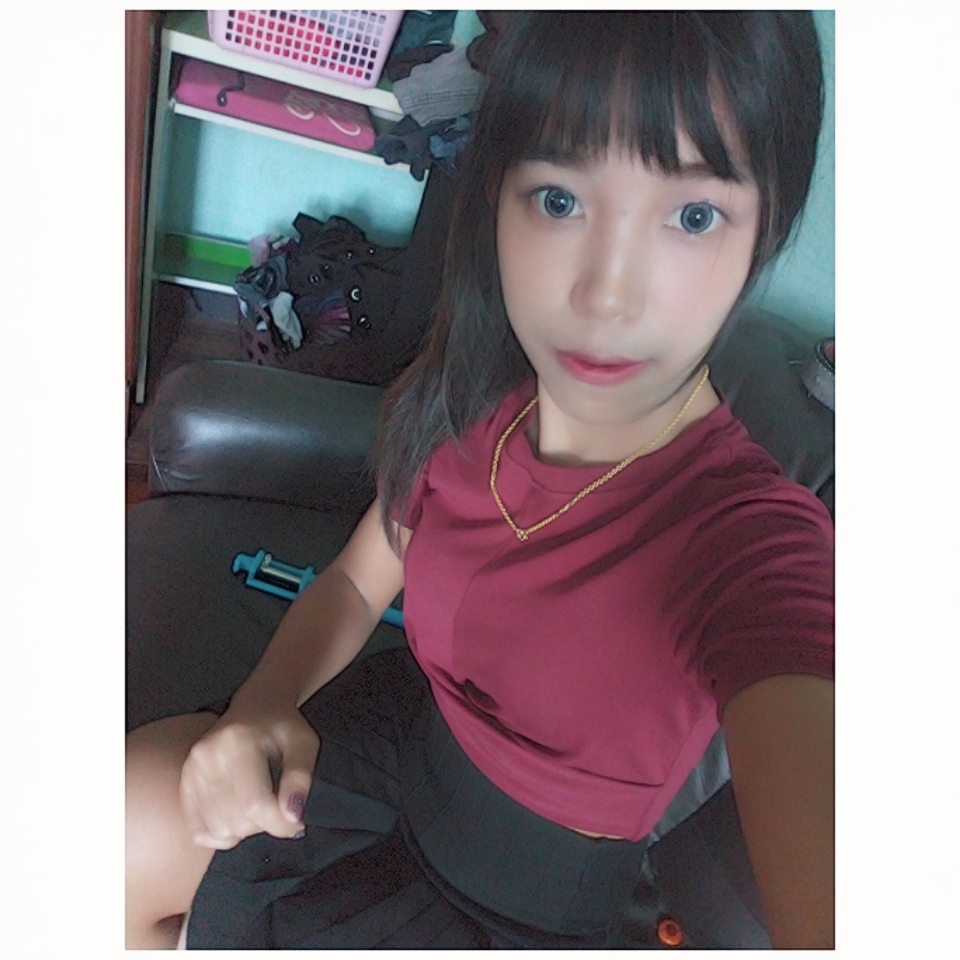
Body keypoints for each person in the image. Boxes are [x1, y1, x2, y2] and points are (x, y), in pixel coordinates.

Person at [126, 11, 834, 950]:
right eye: (559, 200)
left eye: (692, 217)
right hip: (385, 757)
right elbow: (355, 582)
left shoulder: (751, 542)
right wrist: (264, 702)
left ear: (762, 232)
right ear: (498, 197)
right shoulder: (471, 400)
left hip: (519, 912)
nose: (605, 293)